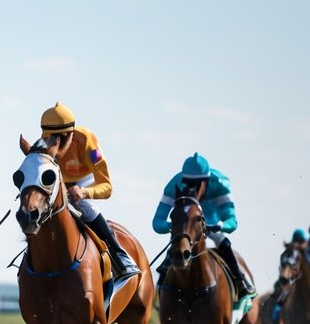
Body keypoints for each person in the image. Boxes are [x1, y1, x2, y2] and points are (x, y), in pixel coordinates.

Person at [39, 101, 139, 279]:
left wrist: (84, 192)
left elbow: (107, 187)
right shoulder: (42, 145)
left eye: (59, 138)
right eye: (49, 137)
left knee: (86, 206)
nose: (53, 143)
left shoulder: (87, 141)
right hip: (59, 183)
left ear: (70, 134)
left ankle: (121, 258)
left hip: (84, 182)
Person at [150, 152, 254, 296]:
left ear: (206, 181)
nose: (192, 188)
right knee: (176, 247)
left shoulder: (219, 185)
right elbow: (157, 222)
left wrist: (219, 225)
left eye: (197, 184)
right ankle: (159, 287)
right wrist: (175, 227)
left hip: (211, 223)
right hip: (186, 227)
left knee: (223, 241)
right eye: (188, 183)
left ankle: (240, 280)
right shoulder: (174, 185)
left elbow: (232, 222)